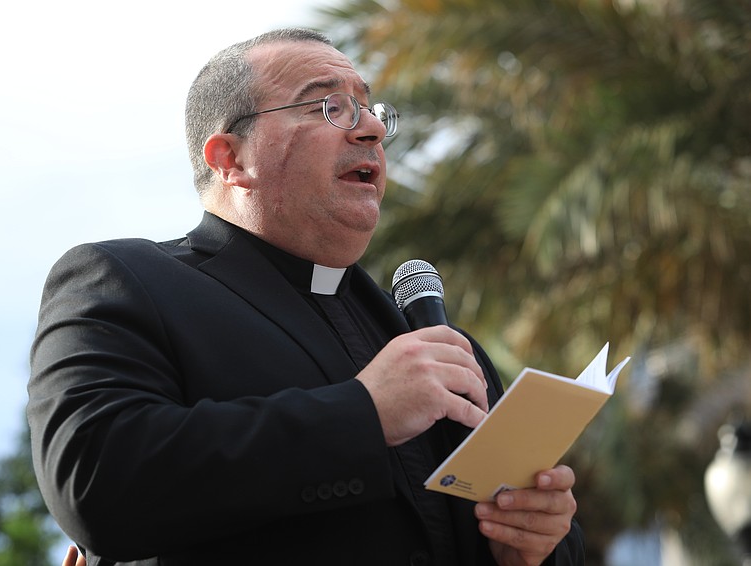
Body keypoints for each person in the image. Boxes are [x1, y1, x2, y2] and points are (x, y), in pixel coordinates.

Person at [30, 27, 584, 565]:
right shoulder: (126, 280)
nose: (370, 129)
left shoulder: (438, 346)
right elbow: (94, 478)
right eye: (327, 107)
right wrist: (365, 414)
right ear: (230, 158)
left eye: (369, 109)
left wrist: (534, 547)